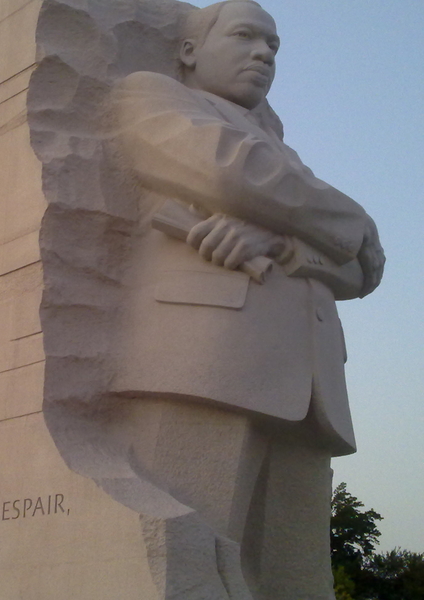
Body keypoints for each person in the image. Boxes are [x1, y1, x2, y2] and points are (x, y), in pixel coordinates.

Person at [106, 1, 385, 598]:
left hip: (308, 387)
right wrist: (352, 219)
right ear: (188, 50)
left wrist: (285, 237)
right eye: (245, 37)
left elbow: (366, 266)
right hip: (206, 363)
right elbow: (230, 173)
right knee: (187, 564)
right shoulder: (151, 94)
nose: (264, 54)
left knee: (297, 580)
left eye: (274, 47)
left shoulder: (287, 159)